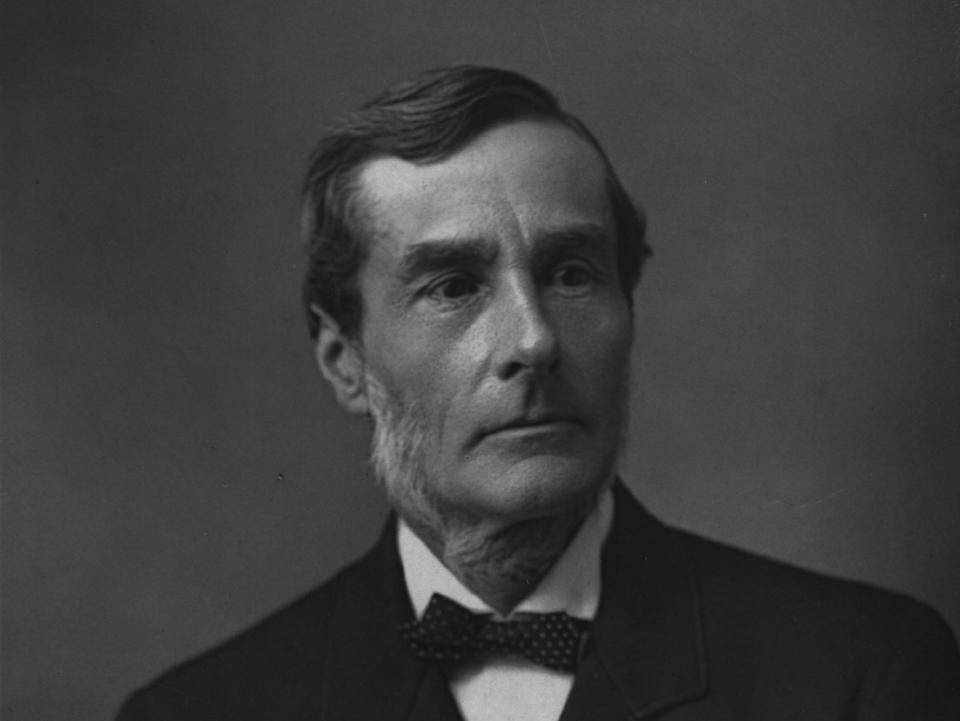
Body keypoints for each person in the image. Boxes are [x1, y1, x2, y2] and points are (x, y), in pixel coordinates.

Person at [117, 65, 960, 721]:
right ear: (345, 361)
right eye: (452, 286)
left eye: (570, 273)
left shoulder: (864, 676)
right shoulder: (199, 712)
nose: (534, 339)